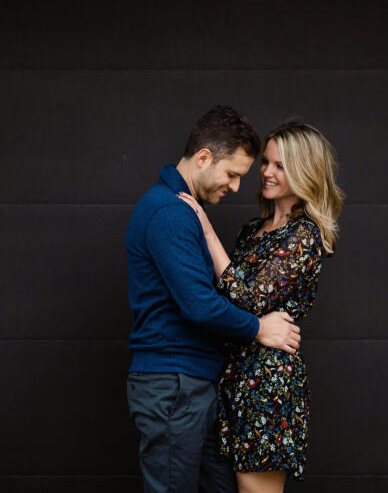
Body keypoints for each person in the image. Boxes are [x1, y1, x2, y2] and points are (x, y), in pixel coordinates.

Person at [126, 106, 302, 493]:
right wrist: (258, 328)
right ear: (204, 157)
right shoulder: (169, 212)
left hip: (194, 385)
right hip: (173, 385)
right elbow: (200, 305)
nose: (236, 187)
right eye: (232, 174)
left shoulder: (182, 210)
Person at [178, 122, 344, 493]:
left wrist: (206, 230)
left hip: (268, 384)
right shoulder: (252, 229)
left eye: (280, 165)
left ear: (303, 171)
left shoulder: (304, 235)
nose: (266, 172)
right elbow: (223, 300)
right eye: (266, 162)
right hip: (231, 378)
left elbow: (249, 298)